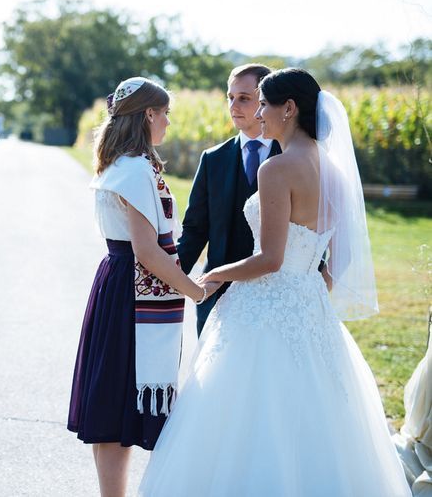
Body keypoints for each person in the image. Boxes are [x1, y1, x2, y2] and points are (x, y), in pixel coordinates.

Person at [138, 68, 411, 496]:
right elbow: (343, 257)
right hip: (311, 309)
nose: (258, 113)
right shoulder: (335, 171)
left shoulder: (278, 169)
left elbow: (269, 259)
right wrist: (308, 291)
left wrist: (215, 274)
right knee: (315, 415)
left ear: (290, 107)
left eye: (263, 103)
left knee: (245, 413)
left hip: (262, 310)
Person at [67, 77, 219, 497]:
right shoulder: (134, 168)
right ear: (148, 114)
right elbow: (148, 253)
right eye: (164, 113)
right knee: (116, 413)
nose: (168, 122)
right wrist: (195, 290)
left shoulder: (122, 163)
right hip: (128, 295)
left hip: (117, 284)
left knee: (112, 408)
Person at [177, 64, 281, 336]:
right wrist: (169, 280)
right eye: (230, 97)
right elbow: (195, 230)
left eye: (244, 98)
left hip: (275, 292)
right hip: (218, 296)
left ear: (265, 99)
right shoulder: (213, 159)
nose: (234, 105)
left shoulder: (293, 156)